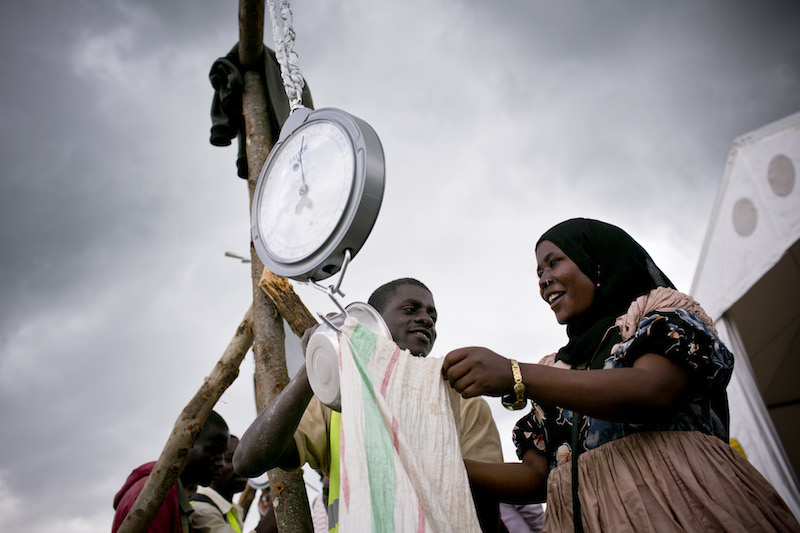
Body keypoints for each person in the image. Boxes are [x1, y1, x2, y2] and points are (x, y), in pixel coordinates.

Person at [441, 218, 800, 532]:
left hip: (682, 510)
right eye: (538, 273)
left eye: (554, 262)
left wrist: (516, 373)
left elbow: (652, 390)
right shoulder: (555, 369)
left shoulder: (656, 317)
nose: (544, 280)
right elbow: (538, 478)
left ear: (596, 262)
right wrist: (442, 463)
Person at [234, 278, 504, 531]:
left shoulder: (463, 402)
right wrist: (315, 364)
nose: (426, 320)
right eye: (410, 310)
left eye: (432, 317)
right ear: (371, 321)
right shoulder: (336, 400)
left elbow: (487, 507)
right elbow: (247, 460)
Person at [112, 411, 230, 533]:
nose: (221, 463)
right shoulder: (155, 494)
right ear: (187, 442)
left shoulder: (173, 494)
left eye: (223, 454)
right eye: (213, 451)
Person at [190, 435, 277, 533]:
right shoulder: (201, 509)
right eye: (230, 459)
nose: (242, 466)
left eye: (245, 459)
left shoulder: (231, 510)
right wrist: (277, 510)